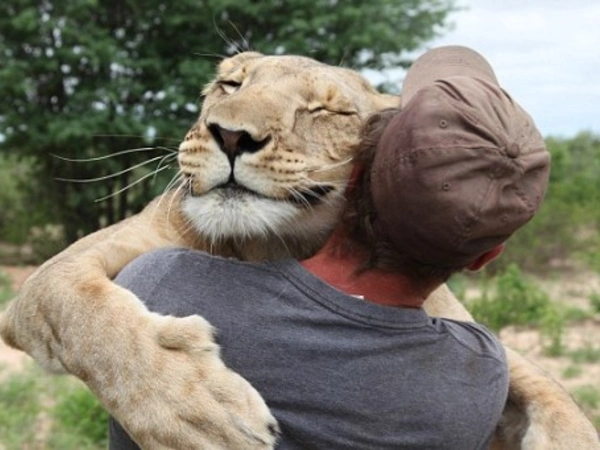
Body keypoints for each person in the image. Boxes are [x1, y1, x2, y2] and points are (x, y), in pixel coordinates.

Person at [109, 46, 550, 449]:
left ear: (356, 172)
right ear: (485, 257)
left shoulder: (161, 283)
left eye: (328, 111)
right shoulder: (480, 375)